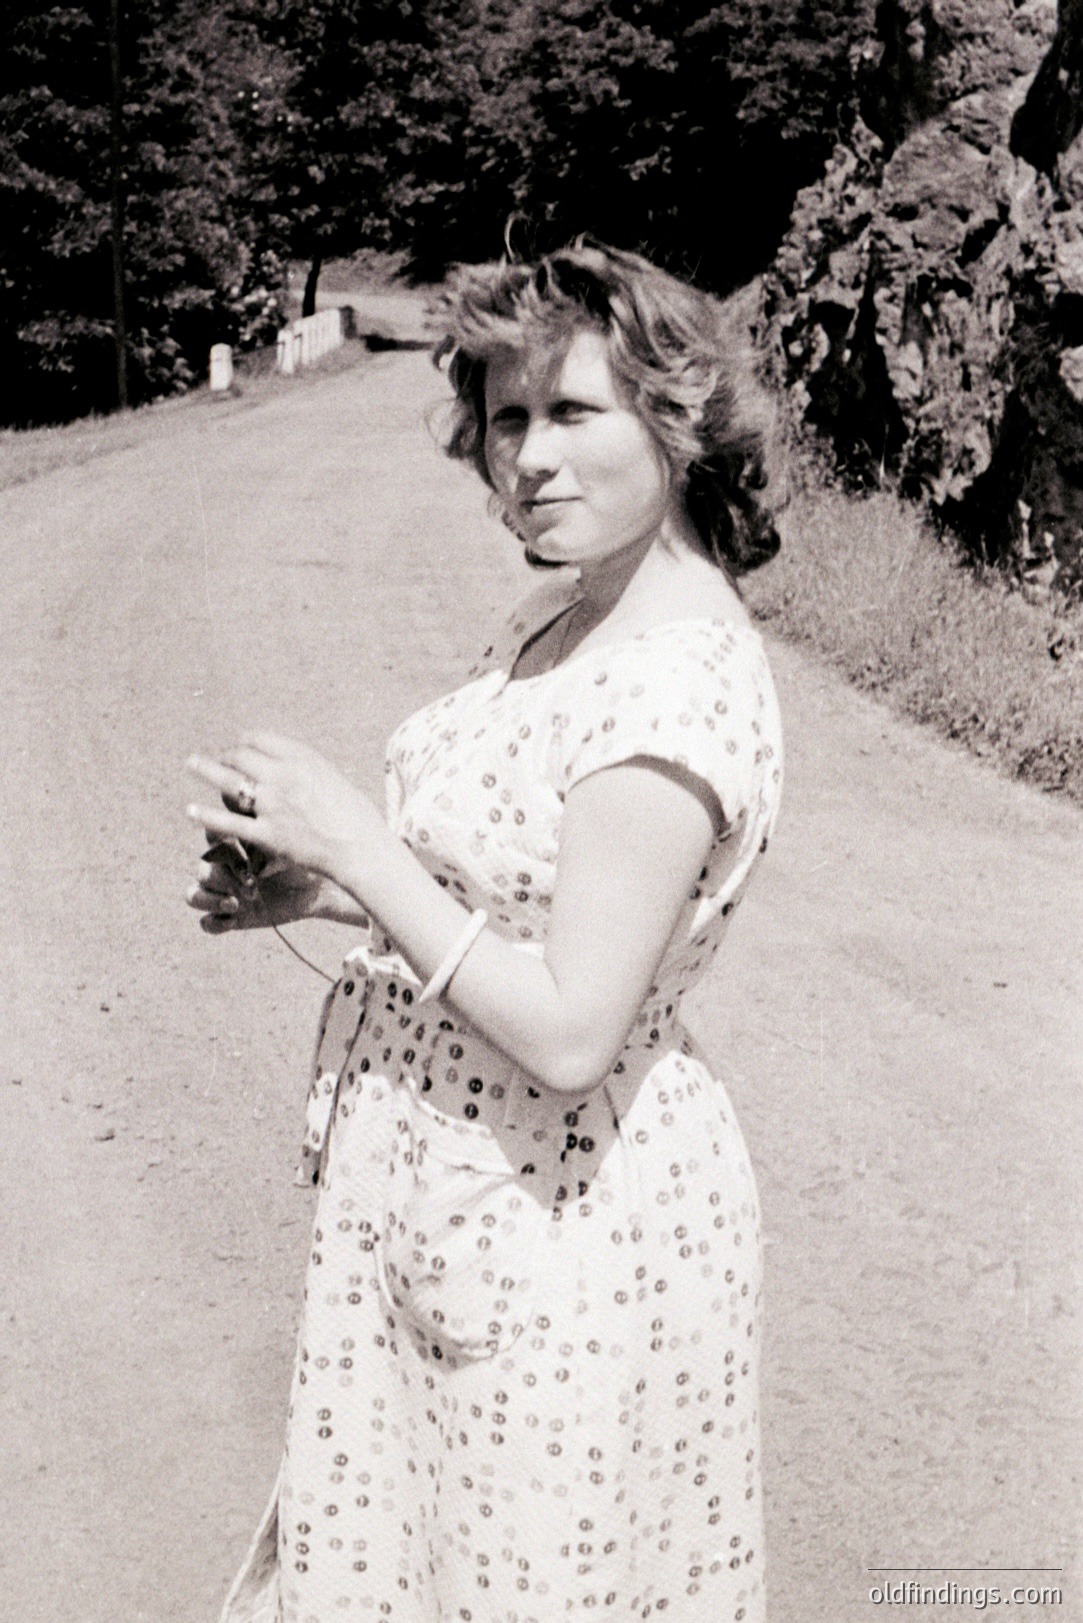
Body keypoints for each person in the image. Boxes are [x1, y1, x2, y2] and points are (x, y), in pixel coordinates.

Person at [186, 239, 784, 1623]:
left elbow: (573, 1029)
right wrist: (324, 889)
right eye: (509, 418)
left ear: (677, 418)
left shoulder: (675, 693)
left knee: (532, 1581)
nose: (531, 457)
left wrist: (360, 842)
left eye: (574, 411)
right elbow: (511, 900)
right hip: (451, 1196)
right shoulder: (566, 616)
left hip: (561, 1229)